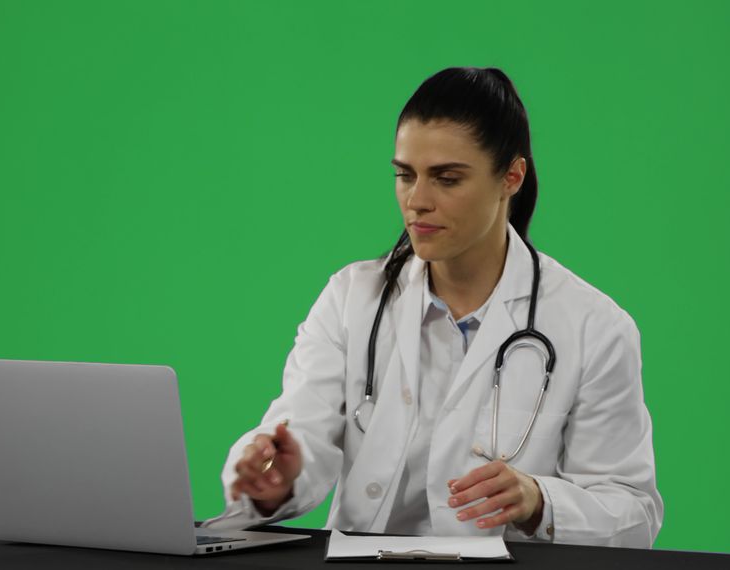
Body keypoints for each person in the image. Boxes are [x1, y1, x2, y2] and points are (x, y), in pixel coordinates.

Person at [207, 67, 663, 547]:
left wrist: (539, 502)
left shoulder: (594, 327)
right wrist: (278, 476)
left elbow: (633, 514)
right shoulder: (350, 298)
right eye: (405, 175)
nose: (417, 201)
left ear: (512, 176)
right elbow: (301, 430)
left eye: (447, 179)